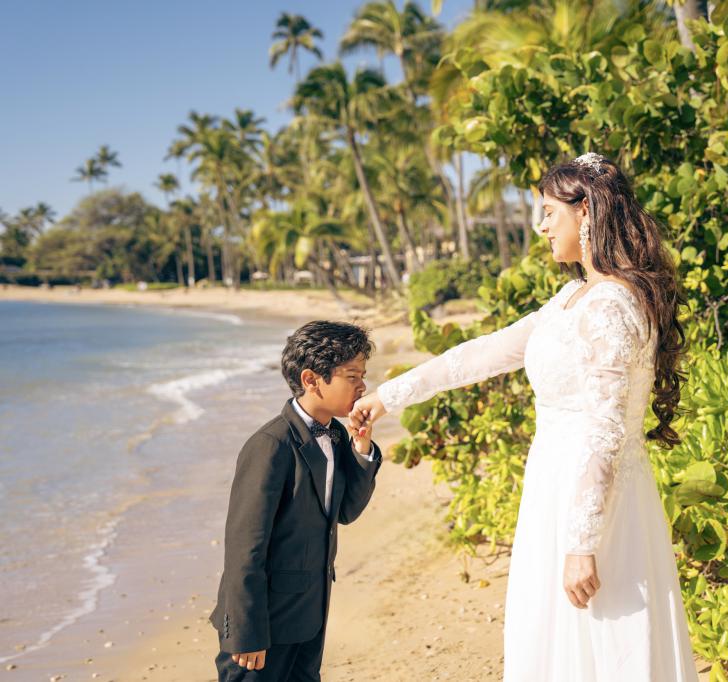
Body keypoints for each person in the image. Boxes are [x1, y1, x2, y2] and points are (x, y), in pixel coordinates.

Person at [351, 153, 700, 680]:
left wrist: (582, 544)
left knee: (603, 643)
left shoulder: (609, 307)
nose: (539, 227)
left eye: (547, 213)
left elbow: (604, 432)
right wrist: (389, 395)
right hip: (554, 490)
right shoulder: (572, 298)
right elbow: (481, 353)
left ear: (586, 214)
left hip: (597, 505)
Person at [210, 321, 382, 681]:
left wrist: (362, 447)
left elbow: (346, 511)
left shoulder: (337, 436)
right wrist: (246, 633)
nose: (362, 386)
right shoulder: (270, 445)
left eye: (362, 375)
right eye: (351, 375)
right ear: (311, 379)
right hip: (262, 628)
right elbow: (244, 548)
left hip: (310, 615)